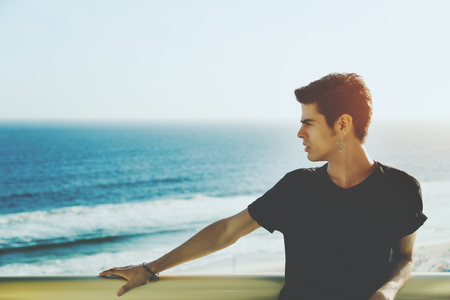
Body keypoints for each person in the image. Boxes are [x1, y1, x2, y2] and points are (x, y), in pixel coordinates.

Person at [100, 73, 427, 299]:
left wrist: (387, 292)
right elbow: (228, 230)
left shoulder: (401, 190)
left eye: (308, 123)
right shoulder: (297, 188)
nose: (300, 134)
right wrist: (149, 268)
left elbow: (404, 258)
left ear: (342, 124)